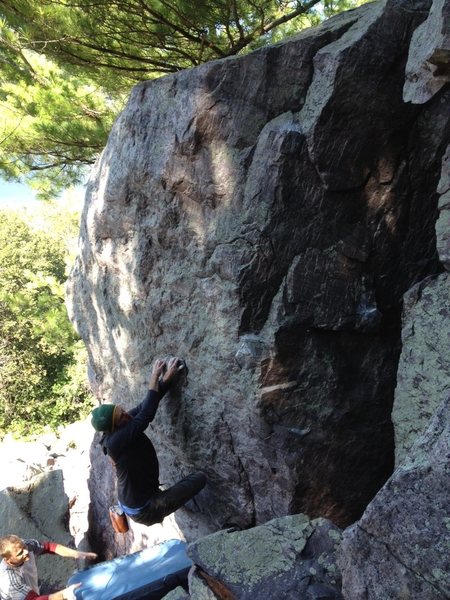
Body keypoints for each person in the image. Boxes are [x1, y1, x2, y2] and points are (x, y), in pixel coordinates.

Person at [90, 357, 206, 527]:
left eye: (122, 410)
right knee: (200, 478)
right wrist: (154, 376)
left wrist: (165, 380)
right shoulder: (116, 442)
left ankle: (174, 497)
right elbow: (146, 416)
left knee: (184, 487)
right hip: (145, 509)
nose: (127, 415)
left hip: (134, 496)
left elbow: (146, 405)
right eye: (121, 416)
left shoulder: (121, 424)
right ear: (113, 427)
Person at [0, 534, 97, 600]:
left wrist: (77, 553)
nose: (26, 551)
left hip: (30, 592)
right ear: (8, 560)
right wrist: (64, 594)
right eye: (20, 553)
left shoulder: (26, 545)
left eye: (24, 548)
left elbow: (49, 547)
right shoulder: (9, 581)